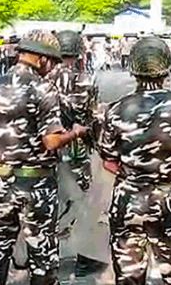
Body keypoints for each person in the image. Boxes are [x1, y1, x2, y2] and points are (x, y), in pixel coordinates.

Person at [0, 30, 88, 285]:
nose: (53, 67)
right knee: (42, 258)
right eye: (52, 62)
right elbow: (51, 141)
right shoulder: (43, 89)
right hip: (36, 186)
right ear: (42, 58)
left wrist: (1, 156)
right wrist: (75, 133)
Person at [99, 36, 171, 285]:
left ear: (133, 70)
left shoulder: (116, 110)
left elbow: (108, 161)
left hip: (126, 202)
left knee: (129, 277)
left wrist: (132, 175)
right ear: (166, 69)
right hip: (165, 203)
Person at [51, 30, 102, 276]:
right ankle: (84, 258)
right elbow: (91, 118)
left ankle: (45, 256)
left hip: (48, 148)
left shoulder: (42, 79)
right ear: (79, 52)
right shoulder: (86, 80)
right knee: (83, 201)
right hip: (77, 148)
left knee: (50, 200)